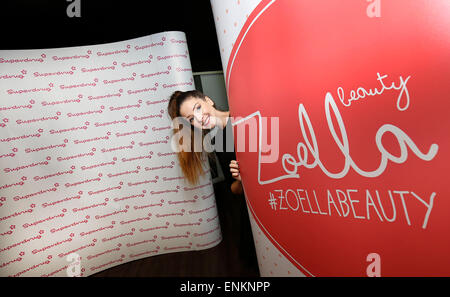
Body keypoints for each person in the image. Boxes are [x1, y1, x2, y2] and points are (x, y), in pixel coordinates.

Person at [167, 90, 258, 270]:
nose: (199, 118)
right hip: (252, 212)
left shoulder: (245, 118)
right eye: (192, 119)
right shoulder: (217, 138)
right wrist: (242, 180)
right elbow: (234, 189)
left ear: (208, 100)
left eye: (198, 108)